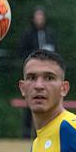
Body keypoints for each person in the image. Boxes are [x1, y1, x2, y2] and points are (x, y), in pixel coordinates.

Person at [18, 7, 58, 139]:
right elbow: (22, 52)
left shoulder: (50, 34)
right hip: (33, 72)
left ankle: (45, 131)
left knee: (48, 102)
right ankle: (26, 131)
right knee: (31, 101)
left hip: (48, 73)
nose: (39, 19)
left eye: (41, 16)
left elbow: (56, 52)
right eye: (37, 16)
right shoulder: (28, 35)